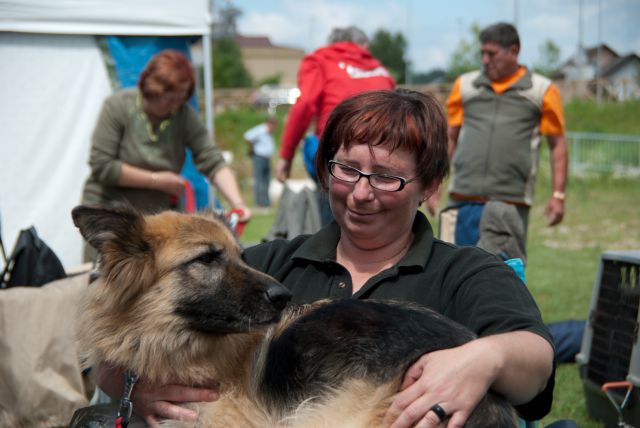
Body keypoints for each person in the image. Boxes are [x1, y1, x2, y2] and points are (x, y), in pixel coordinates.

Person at [94, 89, 555, 428]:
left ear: (430, 188)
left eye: (386, 178)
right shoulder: (268, 267)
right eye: (347, 169)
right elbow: (129, 332)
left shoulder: (465, 271)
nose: (360, 193)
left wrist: (486, 357)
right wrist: (133, 385)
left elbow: (536, 364)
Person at [80, 50, 250, 259]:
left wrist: (238, 204)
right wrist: (157, 181)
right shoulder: (117, 106)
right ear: (152, 89)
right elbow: (102, 165)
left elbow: (213, 160)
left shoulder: (183, 115)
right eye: (169, 97)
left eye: (181, 97)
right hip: (111, 216)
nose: (175, 104)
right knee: (106, 281)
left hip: (155, 222)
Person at [429, 22, 568, 255]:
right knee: (449, 274)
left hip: (509, 203)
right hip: (461, 199)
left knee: (502, 277)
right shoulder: (465, 86)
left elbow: (558, 146)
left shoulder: (541, 90)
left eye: (491, 53)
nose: (484, 60)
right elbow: (449, 138)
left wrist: (558, 195)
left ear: (513, 51)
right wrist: (434, 184)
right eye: (482, 53)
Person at [275, 26, 396, 225]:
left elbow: (304, 105)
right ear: (364, 46)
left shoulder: (320, 60)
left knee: (335, 220)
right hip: (383, 153)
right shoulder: (381, 70)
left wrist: (286, 155)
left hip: (338, 152)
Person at [243, 116, 277, 207]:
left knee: (267, 180)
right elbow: (247, 136)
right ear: (269, 124)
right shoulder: (260, 130)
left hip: (266, 159)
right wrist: (253, 147)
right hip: (259, 157)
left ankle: (266, 202)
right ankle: (258, 202)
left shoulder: (269, 133)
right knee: (258, 180)